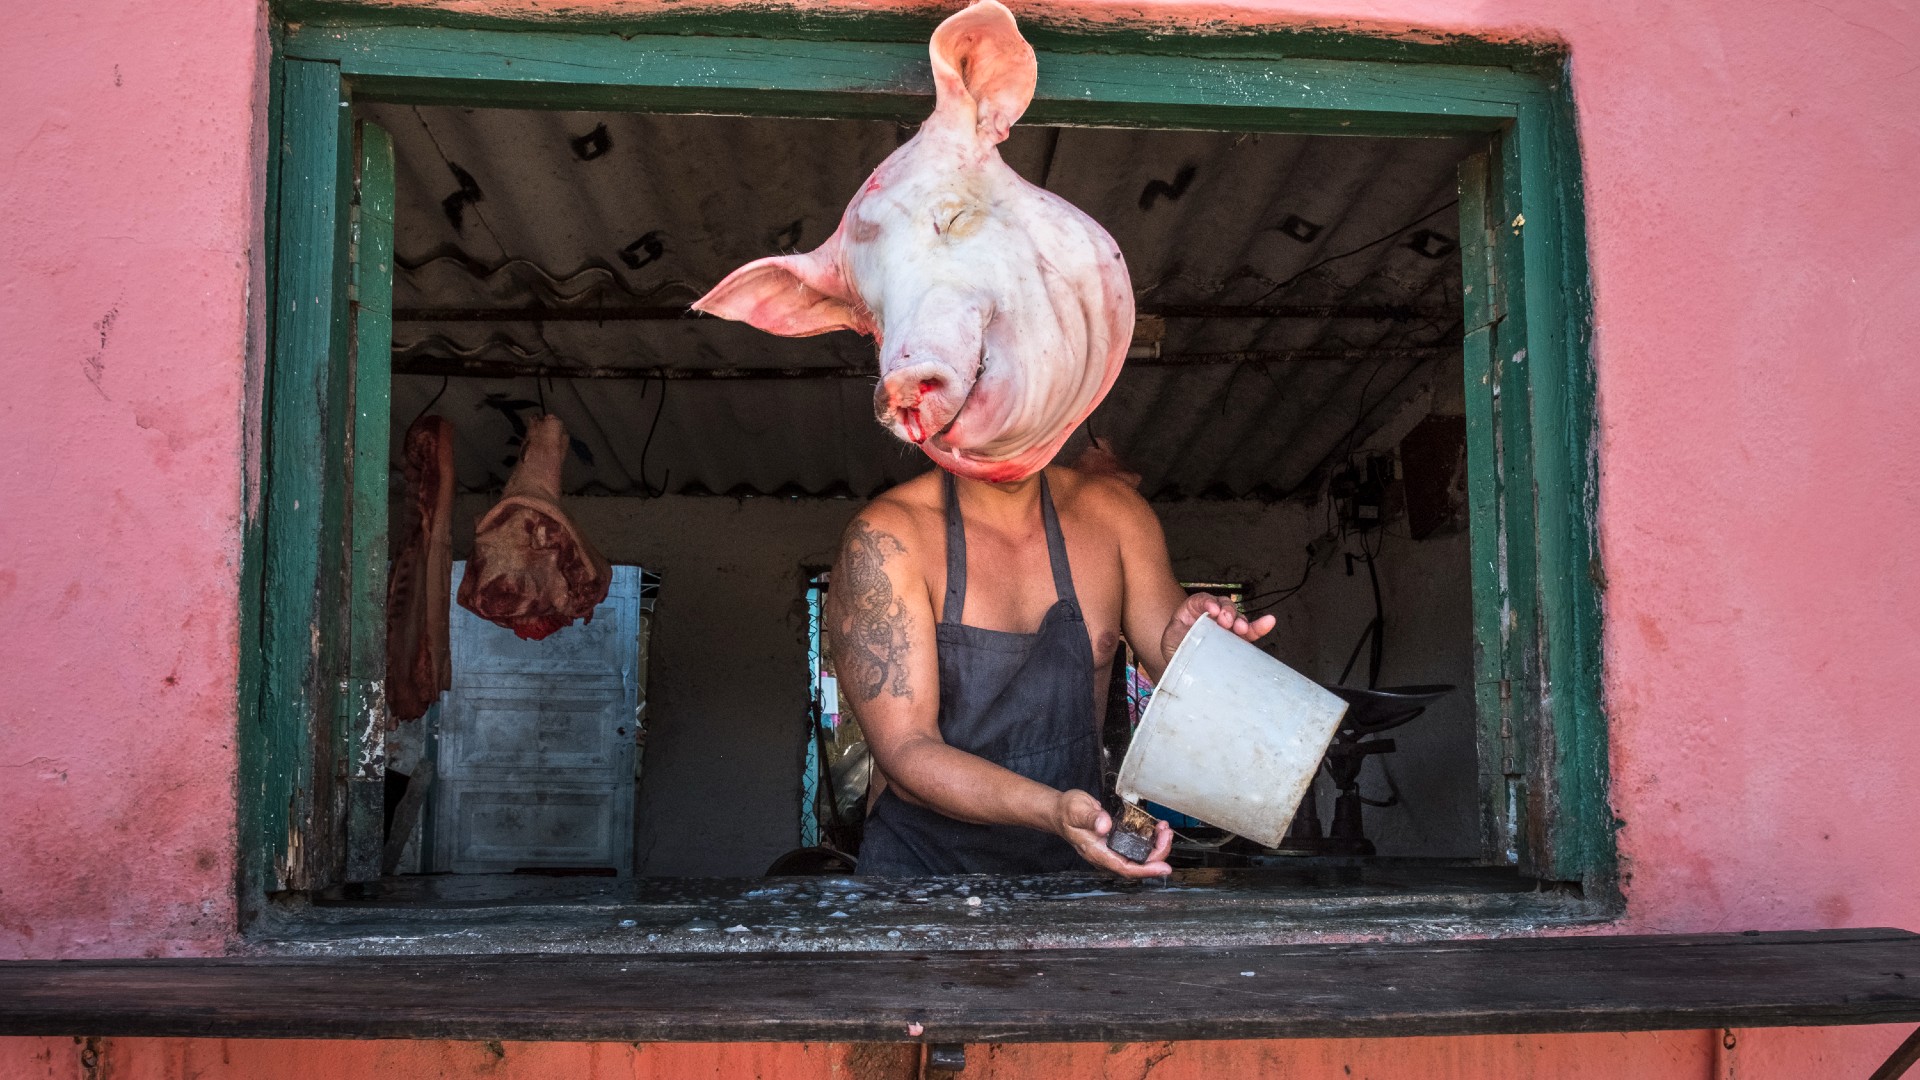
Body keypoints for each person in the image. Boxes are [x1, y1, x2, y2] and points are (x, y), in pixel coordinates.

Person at [827, 455, 1276, 878]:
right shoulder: (886, 538)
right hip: (921, 877)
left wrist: (1199, 655)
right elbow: (907, 749)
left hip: (1075, 870)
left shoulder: (1114, 515)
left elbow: (1203, 705)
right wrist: (1054, 811)